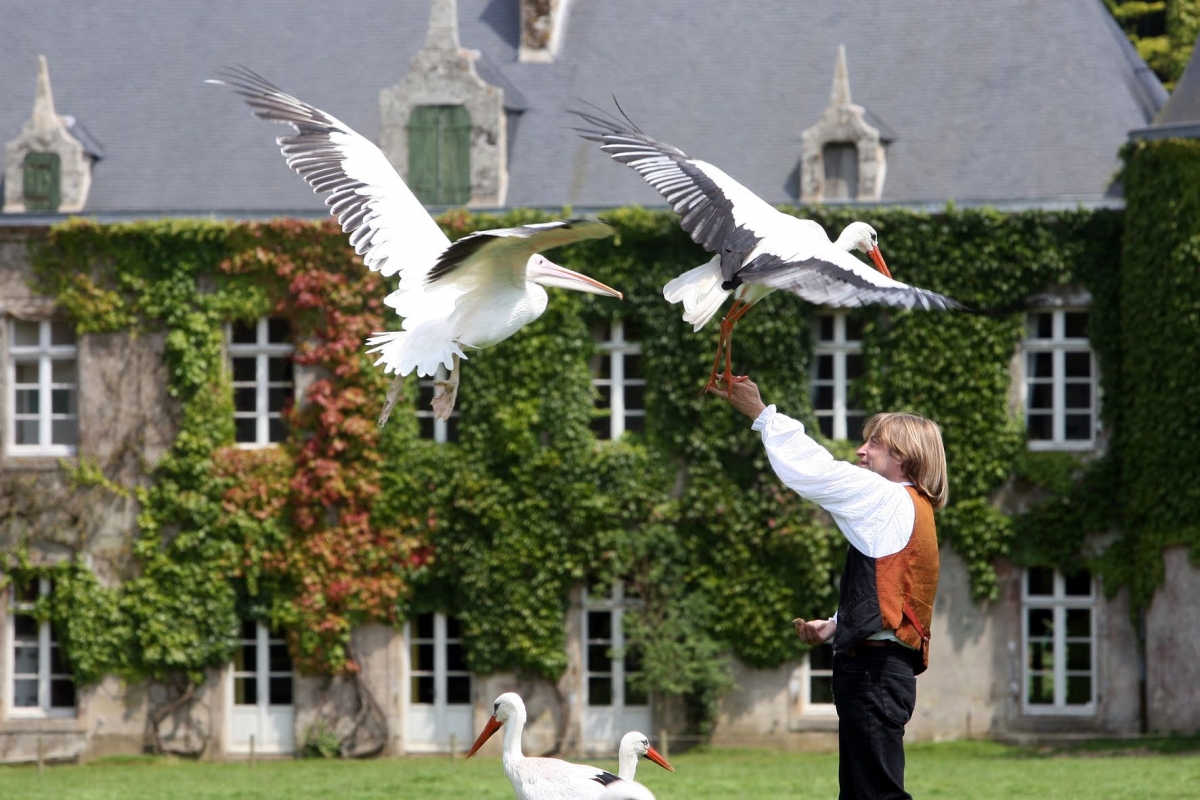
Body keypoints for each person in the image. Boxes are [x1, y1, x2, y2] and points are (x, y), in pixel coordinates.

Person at [709, 377, 947, 800]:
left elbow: (815, 472)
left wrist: (762, 415)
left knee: (877, 796)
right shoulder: (910, 508)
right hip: (877, 668)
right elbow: (892, 589)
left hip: (875, 673)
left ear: (903, 456)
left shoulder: (887, 498)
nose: (861, 450)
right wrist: (837, 625)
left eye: (873, 443)